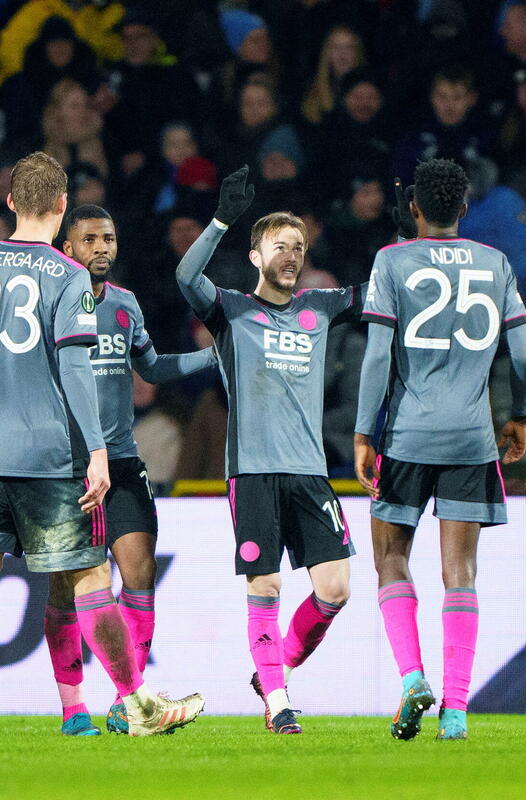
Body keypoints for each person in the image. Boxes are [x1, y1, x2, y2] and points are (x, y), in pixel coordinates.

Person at [0, 152, 202, 739]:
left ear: (11, 201)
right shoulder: (67, 276)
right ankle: (139, 706)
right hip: (48, 457)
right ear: (63, 204)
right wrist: (97, 451)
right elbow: (75, 368)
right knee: (90, 580)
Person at [176, 167, 363, 735]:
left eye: (298, 247)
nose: (291, 255)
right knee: (266, 586)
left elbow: (382, 293)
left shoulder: (320, 307)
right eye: (280, 246)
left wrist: (407, 240)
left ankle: (273, 670)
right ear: (255, 256)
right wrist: (220, 220)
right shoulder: (231, 310)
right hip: (253, 472)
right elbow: (186, 276)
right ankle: (279, 701)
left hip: (311, 472)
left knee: (336, 590)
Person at [353, 158, 526, 741]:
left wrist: (363, 433)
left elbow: (377, 356)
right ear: (464, 207)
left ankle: (413, 679)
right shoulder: (495, 262)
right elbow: (525, 356)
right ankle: (455, 713)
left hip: (408, 435)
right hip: (472, 438)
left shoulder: (392, 260)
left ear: (413, 208)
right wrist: (520, 415)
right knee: (460, 574)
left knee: (390, 559)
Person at [47, 203, 214, 736]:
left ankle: (129, 701)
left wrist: (214, 357)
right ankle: (73, 708)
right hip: (66, 467)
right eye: (90, 239)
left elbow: (153, 368)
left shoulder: (124, 304)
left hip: (120, 460)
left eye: (109, 238)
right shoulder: (48, 305)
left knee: (139, 574)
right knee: (64, 590)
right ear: (67, 248)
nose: (102, 248)